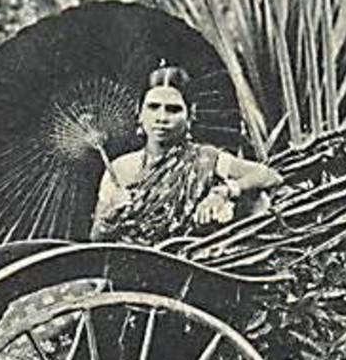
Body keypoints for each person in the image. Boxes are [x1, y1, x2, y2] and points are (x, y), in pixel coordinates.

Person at [92, 65, 283, 244]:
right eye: (153, 107)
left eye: (173, 109)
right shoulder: (119, 169)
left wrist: (224, 191)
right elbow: (95, 238)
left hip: (187, 265)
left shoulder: (205, 159)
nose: (162, 118)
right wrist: (110, 219)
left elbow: (269, 176)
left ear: (190, 114)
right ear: (139, 114)